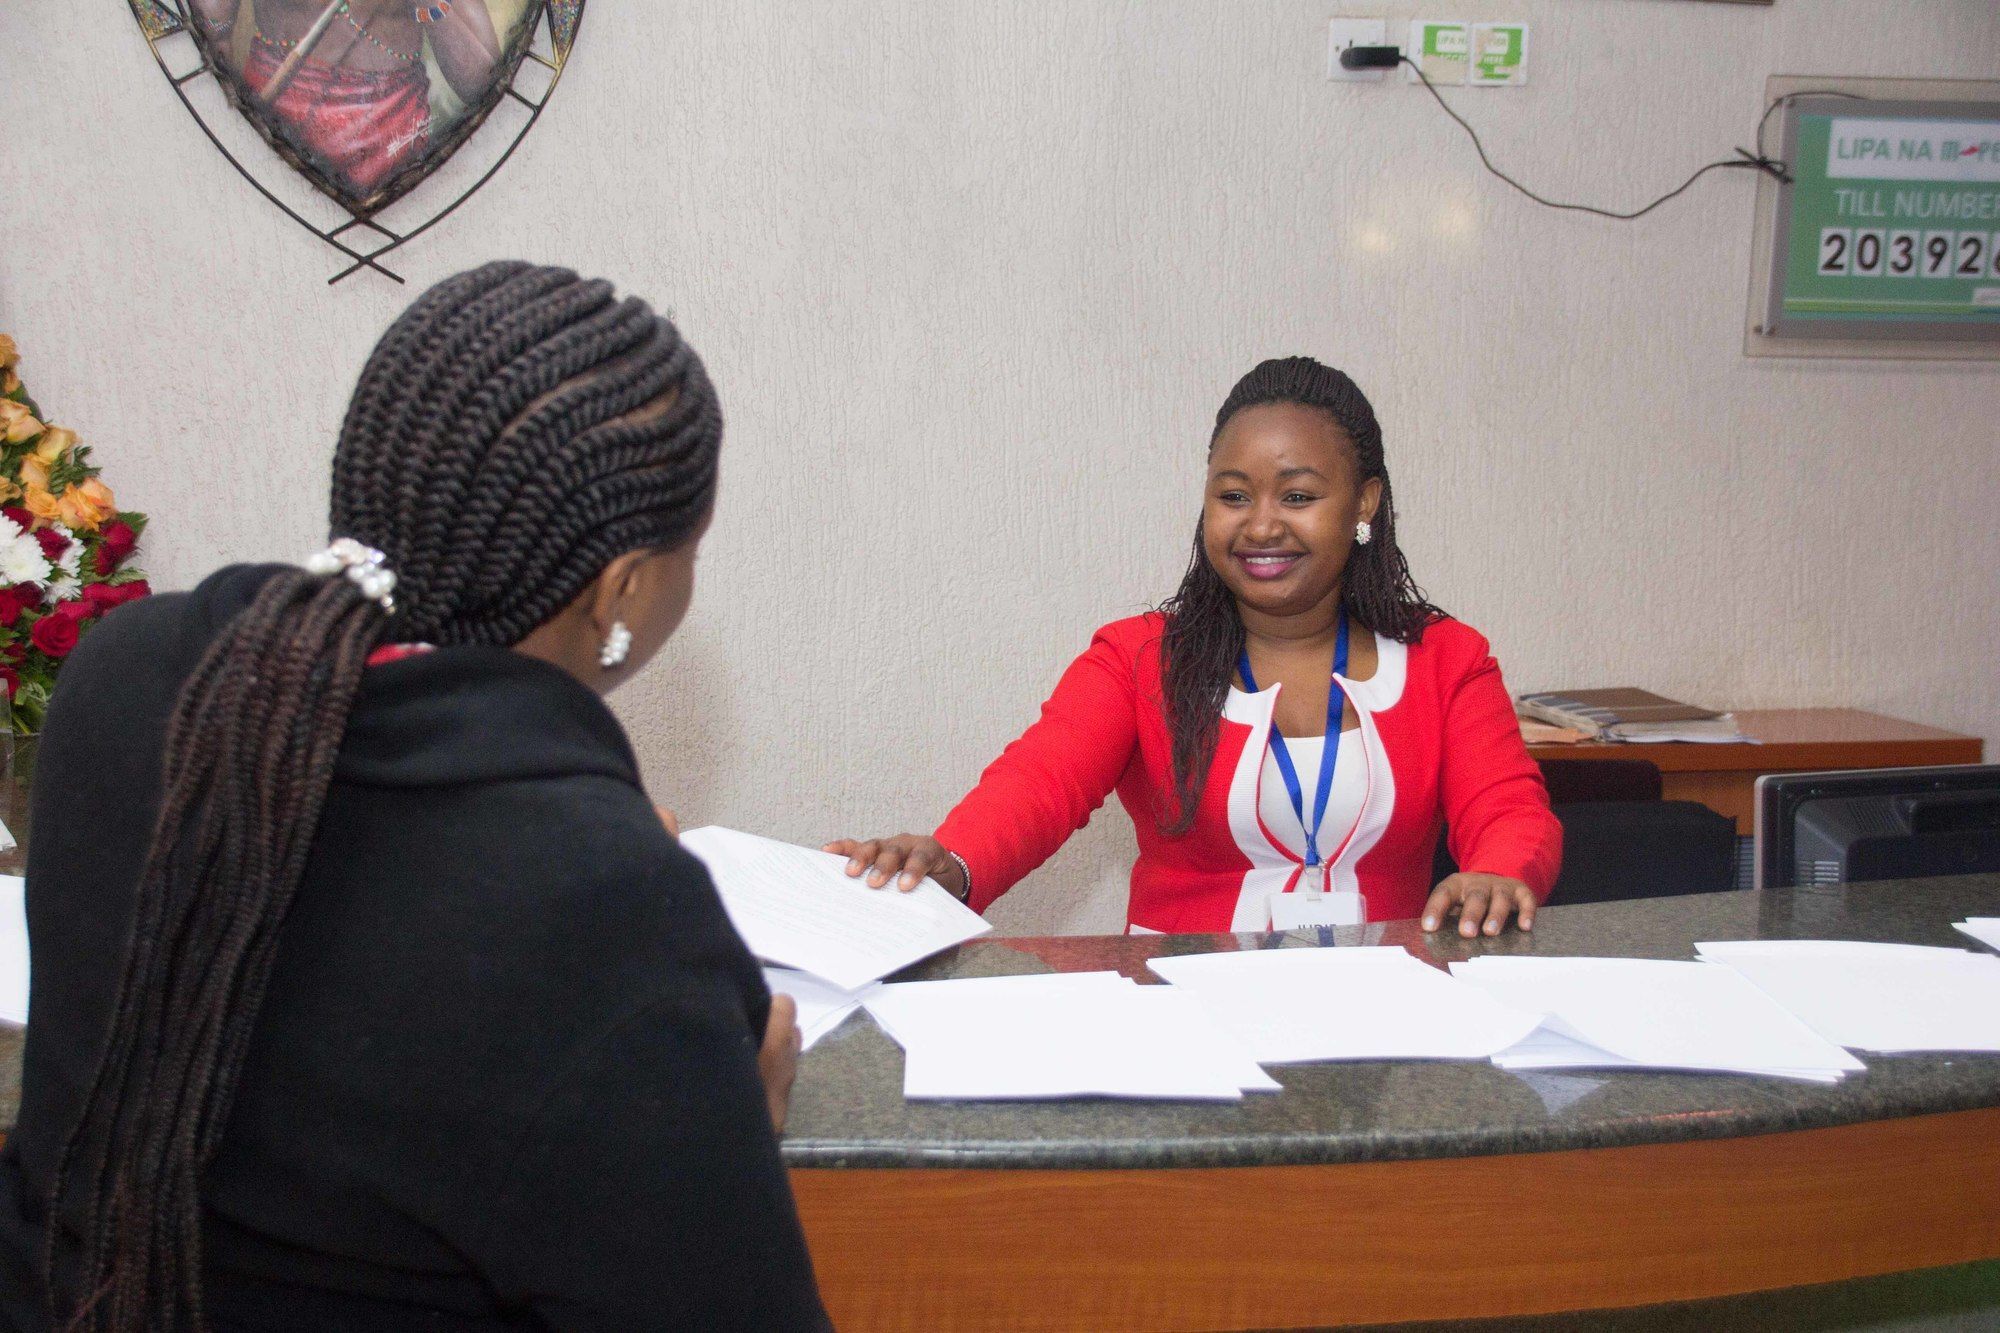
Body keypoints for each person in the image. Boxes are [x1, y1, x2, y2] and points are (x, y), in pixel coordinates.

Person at [0, 263, 830, 1331]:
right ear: (622, 587)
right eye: (690, 553)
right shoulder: (601, 903)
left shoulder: (128, 678)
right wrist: (730, 1119)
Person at [828, 357, 1561, 938]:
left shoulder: (1446, 658)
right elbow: (1036, 785)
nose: (1261, 525)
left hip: (1380, 1029)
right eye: (1234, 495)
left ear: (1364, 502)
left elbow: (1509, 809)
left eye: (1298, 497)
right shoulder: (1139, 658)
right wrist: (950, 861)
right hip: (1180, 1024)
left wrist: (1497, 871)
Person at [191, 0, 504, 200]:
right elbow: (211, 38)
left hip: (399, 148)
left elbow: (484, 84)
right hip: (280, 141)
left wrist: (431, 4)